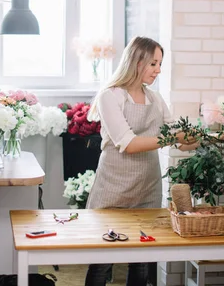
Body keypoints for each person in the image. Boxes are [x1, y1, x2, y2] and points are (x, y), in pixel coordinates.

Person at [84, 36, 198, 286]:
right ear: (137, 62)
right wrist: (171, 137)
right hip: (113, 190)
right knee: (102, 262)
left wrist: (201, 136)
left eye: (160, 64)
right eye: (154, 64)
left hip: (147, 188)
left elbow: (180, 141)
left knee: (142, 263)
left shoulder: (155, 99)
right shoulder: (110, 96)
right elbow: (129, 143)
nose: (158, 70)